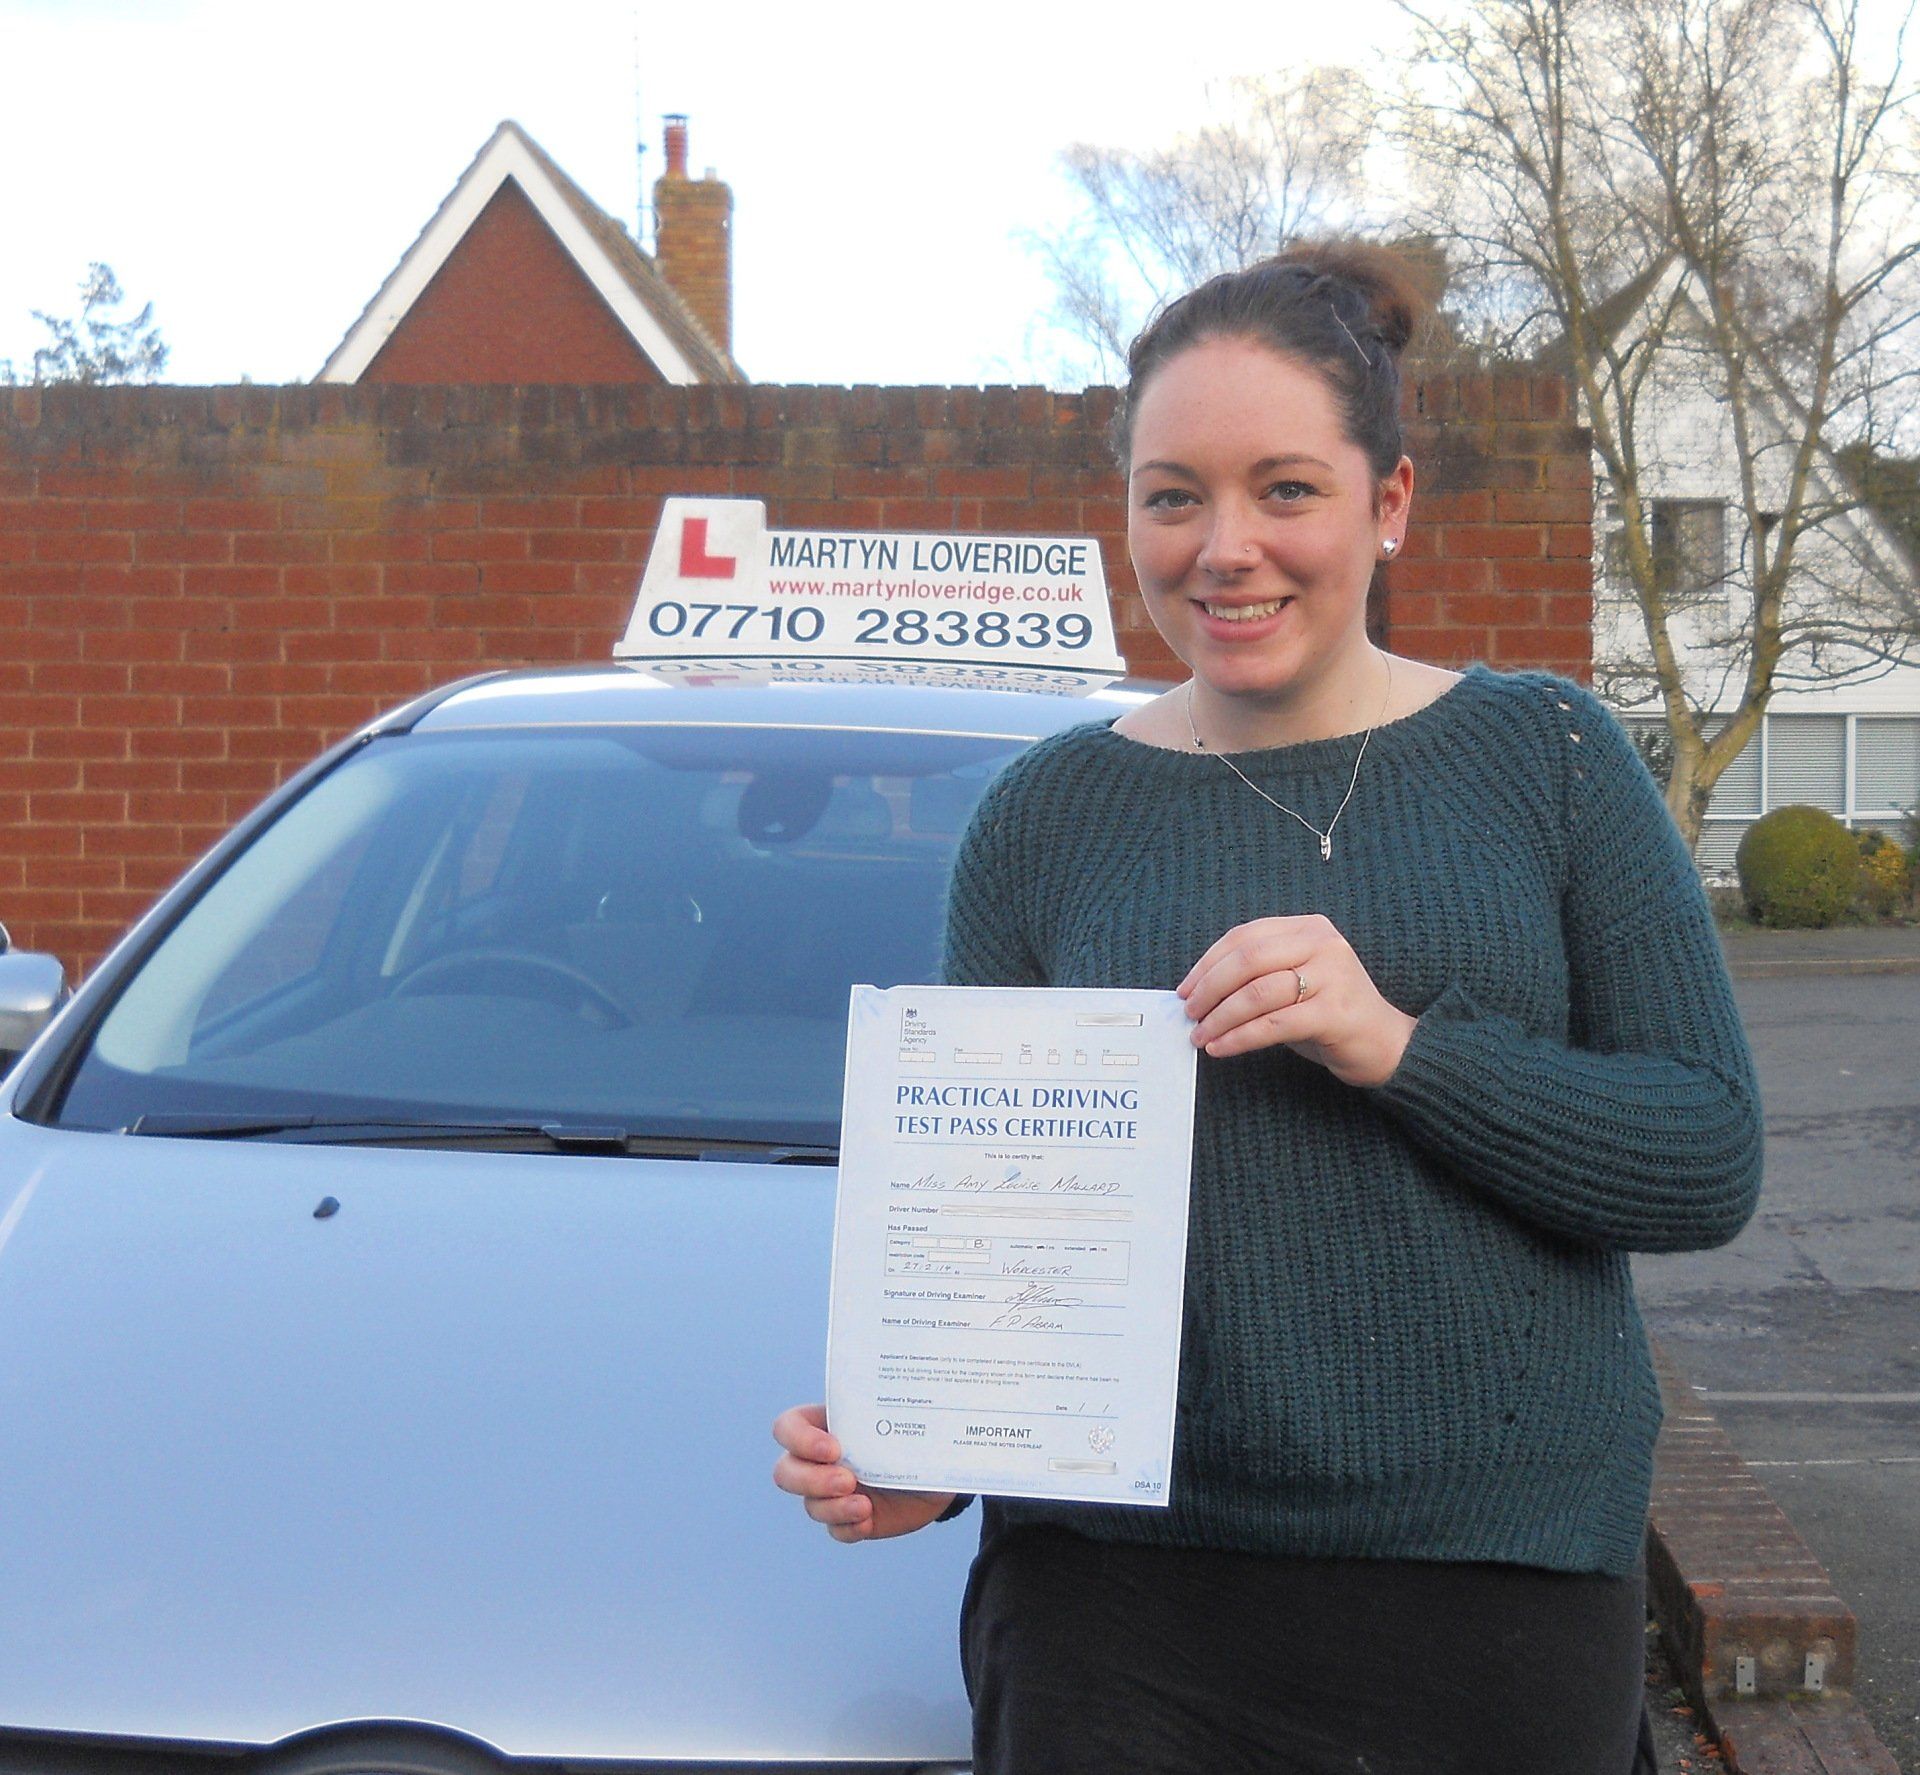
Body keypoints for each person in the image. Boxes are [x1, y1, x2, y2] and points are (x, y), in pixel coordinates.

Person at [772, 244, 1764, 1775]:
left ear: (1391, 504)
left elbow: (1704, 1156)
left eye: (1285, 489)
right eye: (1174, 496)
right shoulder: (1044, 820)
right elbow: (993, 1228)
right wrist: (933, 1458)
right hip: (1118, 1613)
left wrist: (1402, 1049)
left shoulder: (1548, 760)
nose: (1224, 547)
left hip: (1491, 1590)